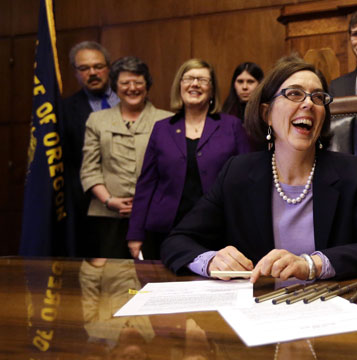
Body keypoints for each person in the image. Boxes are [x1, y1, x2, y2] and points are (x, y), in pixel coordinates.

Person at [161, 56, 357, 281]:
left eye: (318, 97)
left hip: (327, 308)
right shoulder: (237, 172)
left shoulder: (351, 172)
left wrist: (311, 265)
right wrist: (211, 260)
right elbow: (177, 241)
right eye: (294, 94)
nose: (308, 103)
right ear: (267, 113)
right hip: (256, 309)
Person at [126, 59, 251, 259]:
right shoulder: (161, 128)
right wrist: (135, 233)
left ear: (212, 90)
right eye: (189, 79)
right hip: (165, 230)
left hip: (218, 230)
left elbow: (246, 181)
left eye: (202, 80)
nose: (195, 84)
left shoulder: (232, 126)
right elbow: (147, 184)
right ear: (180, 86)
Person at [80, 56, 173, 258]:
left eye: (138, 82)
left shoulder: (167, 120)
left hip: (152, 216)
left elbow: (171, 171)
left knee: (151, 278)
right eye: (125, 83)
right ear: (115, 86)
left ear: (147, 85)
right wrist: (110, 200)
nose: (132, 88)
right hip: (107, 216)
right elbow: (89, 169)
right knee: (107, 280)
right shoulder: (97, 120)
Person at [61, 41, 120, 256]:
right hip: (86, 206)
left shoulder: (131, 101)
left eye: (98, 66)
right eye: (84, 68)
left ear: (109, 68)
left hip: (131, 202)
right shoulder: (65, 110)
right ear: (76, 73)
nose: (92, 73)